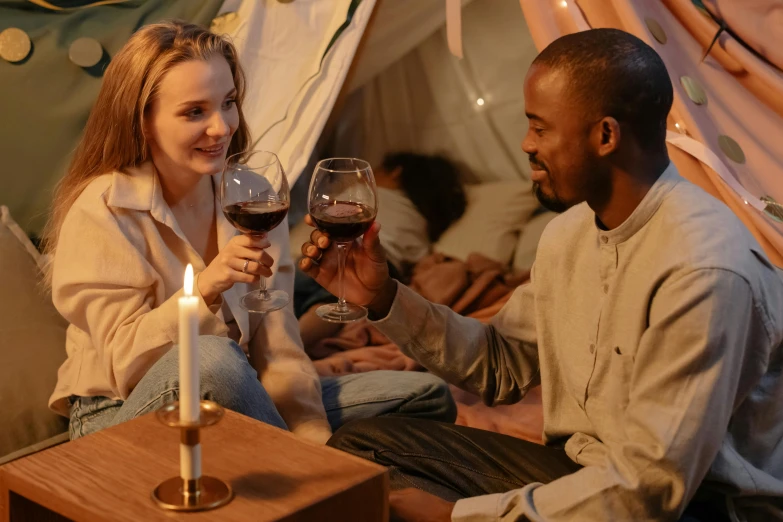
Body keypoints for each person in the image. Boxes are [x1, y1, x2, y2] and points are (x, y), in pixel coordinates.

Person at [299, 28, 783, 521]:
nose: (527, 145)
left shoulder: (704, 270)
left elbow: (649, 490)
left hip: (694, 507)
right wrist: (383, 297)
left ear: (606, 135)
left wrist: (455, 516)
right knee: (364, 447)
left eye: (540, 127)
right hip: (581, 471)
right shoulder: (569, 233)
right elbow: (500, 364)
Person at [42, 20, 456, 444]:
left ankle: (313, 468)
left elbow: (278, 347)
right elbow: (125, 363)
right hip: (120, 411)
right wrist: (204, 289)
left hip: (235, 393)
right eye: (194, 112)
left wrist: (312, 433)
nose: (222, 127)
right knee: (211, 356)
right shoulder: (105, 208)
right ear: (142, 121)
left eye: (228, 102)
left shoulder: (251, 196)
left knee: (425, 396)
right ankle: (313, 487)